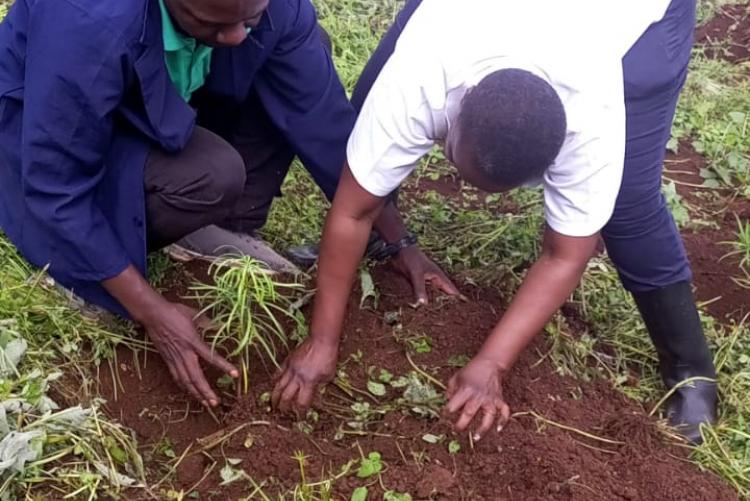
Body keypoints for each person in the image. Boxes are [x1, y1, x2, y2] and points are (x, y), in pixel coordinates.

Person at [273, 0, 717, 445]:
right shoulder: (423, 73)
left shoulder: (591, 115)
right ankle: (387, 241)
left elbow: (564, 255)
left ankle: (690, 368)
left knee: (628, 197)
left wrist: (491, 363)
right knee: (368, 109)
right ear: (456, 109)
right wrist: (323, 340)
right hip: (471, 20)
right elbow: (354, 210)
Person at [0, 0, 453, 409]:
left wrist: (399, 241)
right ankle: (91, 259)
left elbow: (323, 120)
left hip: (158, 97)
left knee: (297, 49)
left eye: (248, 18)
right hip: (54, 124)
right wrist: (152, 312)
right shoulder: (89, 19)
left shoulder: (268, 10)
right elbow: (55, 183)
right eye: (212, 23)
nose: (236, 37)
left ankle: (215, 225)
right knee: (212, 174)